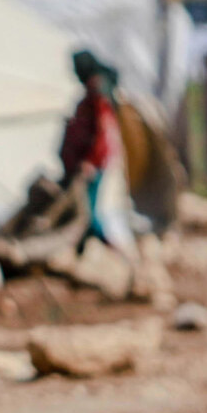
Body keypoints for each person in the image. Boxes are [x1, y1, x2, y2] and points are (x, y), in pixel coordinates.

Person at [59, 50, 141, 264]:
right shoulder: (91, 92)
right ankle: (82, 256)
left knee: (89, 214)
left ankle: (120, 256)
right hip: (85, 163)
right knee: (81, 211)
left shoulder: (98, 91)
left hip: (93, 165)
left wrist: (91, 161)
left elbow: (104, 131)